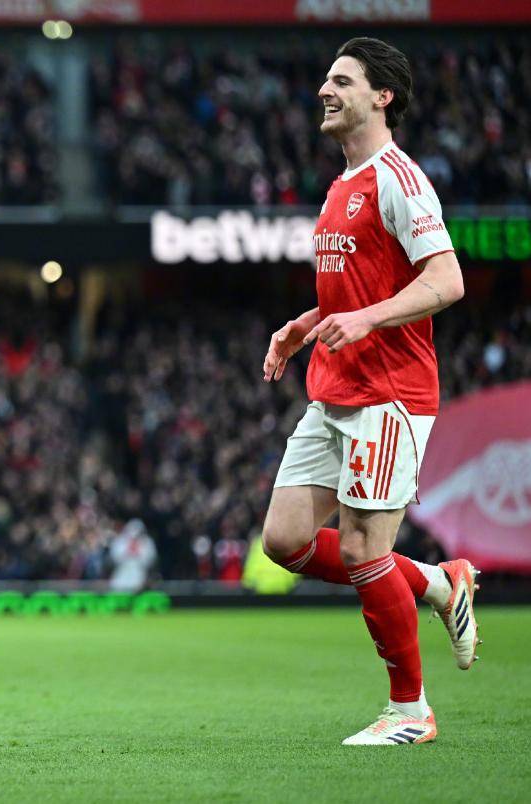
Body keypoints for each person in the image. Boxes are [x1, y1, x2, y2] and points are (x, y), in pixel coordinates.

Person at [260, 38, 480, 746]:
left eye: (341, 80)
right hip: (333, 389)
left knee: (361, 549)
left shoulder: (399, 180)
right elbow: (356, 292)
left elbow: (446, 280)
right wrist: (307, 324)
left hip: (389, 393)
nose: (324, 90)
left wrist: (364, 319)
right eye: (325, 79)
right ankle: (438, 583)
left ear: (382, 96)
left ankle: (410, 712)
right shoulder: (340, 186)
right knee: (285, 540)